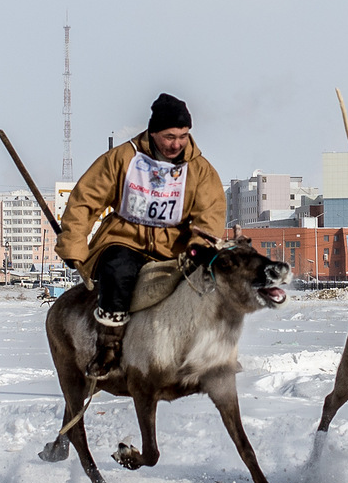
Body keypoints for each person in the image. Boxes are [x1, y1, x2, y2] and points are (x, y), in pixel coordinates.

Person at [56, 93, 226, 379]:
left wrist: (201, 248)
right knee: (117, 271)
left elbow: (210, 213)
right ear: (153, 132)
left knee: (209, 285)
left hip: (176, 247)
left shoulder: (199, 170)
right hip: (125, 238)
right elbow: (85, 200)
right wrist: (74, 245)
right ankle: (109, 345)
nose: (177, 144)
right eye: (170, 136)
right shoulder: (122, 159)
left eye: (183, 136)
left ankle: (209, 351)